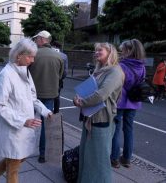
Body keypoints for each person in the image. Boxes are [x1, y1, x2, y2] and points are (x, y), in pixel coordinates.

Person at [0, 38, 53, 183]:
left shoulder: (25, 71)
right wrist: (22, 121)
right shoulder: (6, 74)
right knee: (14, 165)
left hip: (26, 125)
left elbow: (33, 98)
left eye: (33, 56)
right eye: (30, 56)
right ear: (18, 55)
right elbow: (1, 106)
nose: (32, 60)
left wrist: (46, 111)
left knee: (20, 156)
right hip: (14, 127)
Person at [73, 43, 124, 183]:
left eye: (99, 50)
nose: (96, 52)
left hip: (102, 119)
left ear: (110, 52)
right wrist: (76, 98)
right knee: (87, 154)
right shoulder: (99, 70)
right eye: (95, 50)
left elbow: (102, 94)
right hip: (89, 117)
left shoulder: (115, 72)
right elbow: (88, 90)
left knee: (99, 158)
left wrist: (81, 102)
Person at [28, 30, 64, 163]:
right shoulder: (58, 56)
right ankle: (42, 154)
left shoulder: (33, 54)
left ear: (42, 40)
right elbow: (60, 76)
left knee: (29, 120)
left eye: (37, 39)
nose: (35, 41)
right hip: (50, 94)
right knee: (45, 124)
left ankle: (24, 148)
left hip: (32, 94)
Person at [110, 39, 146, 169]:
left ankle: (114, 159)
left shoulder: (121, 65)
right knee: (129, 130)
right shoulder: (141, 66)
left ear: (129, 50)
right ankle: (126, 159)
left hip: (120, 102)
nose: (121, 52)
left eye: (123, 50)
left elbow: (116, 83)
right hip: (134, 102)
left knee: (116, 130)